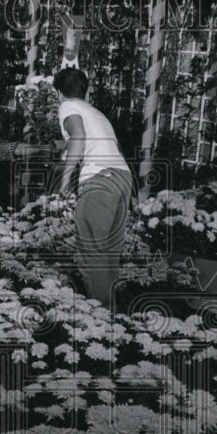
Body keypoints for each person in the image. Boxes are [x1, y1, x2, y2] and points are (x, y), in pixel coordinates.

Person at [53, 67, 134, 308]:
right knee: (108, 253)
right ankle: (114, 318)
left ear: (59, 93)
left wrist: (66, 180)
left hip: (99, 180)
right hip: (122, 178)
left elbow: (78, 137)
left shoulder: (67, 107)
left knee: (91, 254)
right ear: (86, 93)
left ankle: (99, 320)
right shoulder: (96, 113)